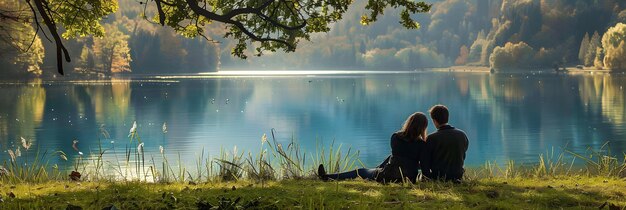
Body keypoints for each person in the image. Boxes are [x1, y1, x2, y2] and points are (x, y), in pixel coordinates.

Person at [317, 112, 428, 183]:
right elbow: (423, 166)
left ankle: (327, 177)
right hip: (409, 178)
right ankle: (377, 168)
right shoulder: (422, 145)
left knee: (360, 171)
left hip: (389, 176)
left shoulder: (396, 137)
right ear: (423, 128)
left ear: (409, 123)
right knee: (394, 157)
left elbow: (399, 154)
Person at [421, 105, 469, 182]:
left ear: (434, 120)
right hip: (458, 176)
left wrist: (427, 178)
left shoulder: (431, 138)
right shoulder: (462, 135)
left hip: (438, 177)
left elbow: (425, 163)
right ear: (447, 117)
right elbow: (463, 155)